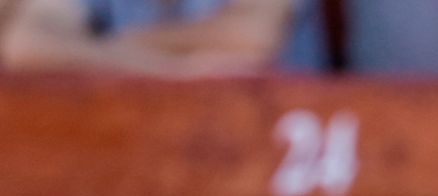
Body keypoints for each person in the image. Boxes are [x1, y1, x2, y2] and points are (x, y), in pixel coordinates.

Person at [0, 0, 322, 76]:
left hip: (273, 158)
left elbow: (252, 37)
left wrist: (97, 48)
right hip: (131, 146)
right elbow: (27, 43)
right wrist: (175, 72)